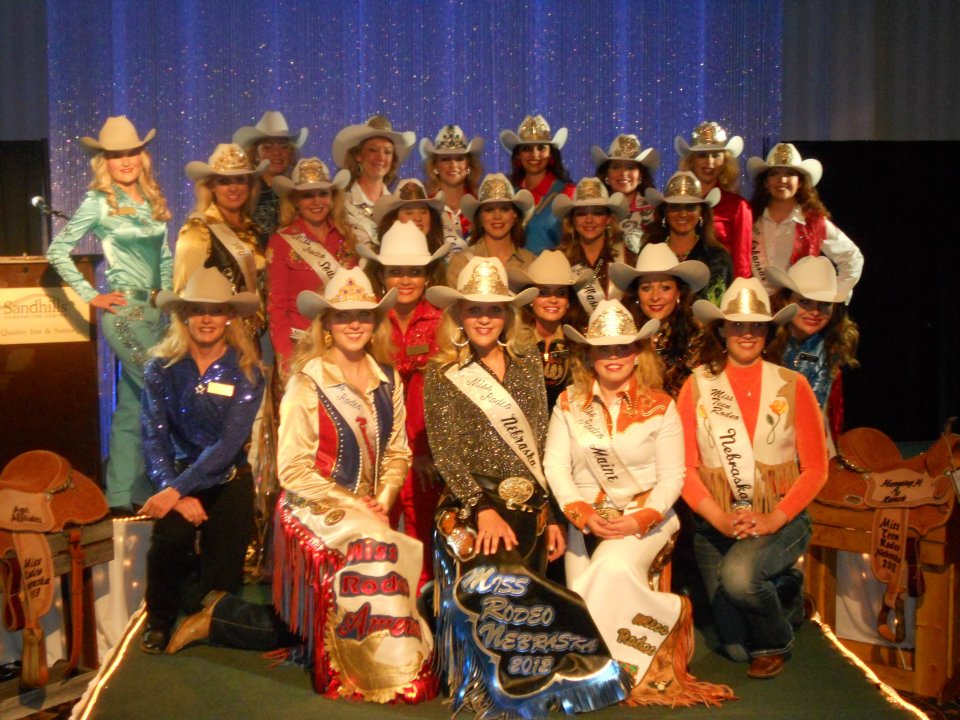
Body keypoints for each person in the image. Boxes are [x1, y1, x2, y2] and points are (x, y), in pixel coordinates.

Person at [424, 257, 629, 718]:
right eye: (473, 308)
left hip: (530, 502)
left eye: (493, 309)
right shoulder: (440, 373)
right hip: (468, 500)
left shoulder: (526, 366)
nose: (483, 317)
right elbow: (446, 454)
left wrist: (553, 515)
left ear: (507, 316)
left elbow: (542, 444)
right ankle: (497, 683)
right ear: (457, 314)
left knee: (527, 584)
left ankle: (534, 678)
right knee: (496, 575)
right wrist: (481, 509)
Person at [543, 299, 734, 706]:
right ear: (589, 354)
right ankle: (602, 670)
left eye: (622, 348)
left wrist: (637, 520)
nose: (614, 357)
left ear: (637, 353)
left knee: (610, 566)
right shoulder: (566, 404)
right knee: (580, 591)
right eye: (604, 348)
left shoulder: (661, 406)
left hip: (646, 518)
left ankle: (589, 672)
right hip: (587, 520)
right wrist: (584, 515)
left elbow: (672, 478)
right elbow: (555, 467)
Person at [677, 277, 828, 679]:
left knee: (740, 580)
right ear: (722, 329)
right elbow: (684, 469)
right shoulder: (696, 386)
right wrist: (720, 519)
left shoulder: (793, 386)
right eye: (738, 324)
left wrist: (774, 518)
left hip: (778, 520)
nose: (747, 333)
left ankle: (776, 639)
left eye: (756, 325)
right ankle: (785, 591)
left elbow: (816, 468)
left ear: (768, 331)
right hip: (716, 525)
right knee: (736, 648)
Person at [46, 116, 173, 513]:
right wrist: (91, 294)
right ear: (105, 160)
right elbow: (57, 251)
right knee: (159, 393)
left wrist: (171, 304)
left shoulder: (152, 197)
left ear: (142, 155)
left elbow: (165, 257)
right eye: (116, 155)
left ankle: (121, 497)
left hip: (158, 313)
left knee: (134, 404)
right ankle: (157, 488)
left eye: (132, 152)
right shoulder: (98, 202)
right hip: (124, 314)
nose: (125, 161)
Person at [139, 268, 263, 653]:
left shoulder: (247, 372)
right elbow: (152, 437)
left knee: (218, 586)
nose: (207, 318)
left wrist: (178, 489)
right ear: (184, 316)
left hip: (227, 480)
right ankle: (158, 620)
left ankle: (202, 612)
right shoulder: (160, 369)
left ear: (229, 316)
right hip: (177, 477)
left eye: (216, 310)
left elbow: (227, 447)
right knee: (169, 540)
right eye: (198, 309)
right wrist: (172, 491)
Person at [356, 222, 450, 593]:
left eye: (415, 271)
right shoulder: (368, 320)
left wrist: (426, 452)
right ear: (381, 275)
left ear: (427, 276)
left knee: (421, 538)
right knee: (373, 533)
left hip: (424, 453)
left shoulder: (444, 321)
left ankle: (421, 615)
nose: (406, 279)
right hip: (376, 451)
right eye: (396, 271)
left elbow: (443, 398)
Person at [266, 157, 356, 376]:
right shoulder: (281, 242)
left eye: (323, 193)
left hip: (341, 346)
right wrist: (287, 360)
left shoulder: (347, 240)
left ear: (332, 198)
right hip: (301, 347)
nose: (316, 201)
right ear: (295, 200)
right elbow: (276, 308)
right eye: (308, 195)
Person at [766, 256, 859, 455]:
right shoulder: (763, 339)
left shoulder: (829, 348)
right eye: (805, 302)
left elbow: (814, 406)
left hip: (809, 442)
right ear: (785, 300)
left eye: (824, 304)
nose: (815, 312)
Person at [747, 142, 864, 294]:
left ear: (800, 182)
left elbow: (852, 258)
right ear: (765, 183)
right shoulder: (749, 219)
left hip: (798, 311)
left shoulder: (813, 223)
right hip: (755, 311)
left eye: (789, 174)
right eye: (774, 173)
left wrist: (834, 296)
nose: (782, 180)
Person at [609, 243, 709, 397]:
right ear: (637, 294)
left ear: (678, 293)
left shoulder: (696, 336)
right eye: (646, 288)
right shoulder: (622, 334)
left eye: (665, 288)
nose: (655, 297)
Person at [174, 143, 269, 299]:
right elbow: (183, 291)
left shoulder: (253, 230)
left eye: (240, 180)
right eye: (224, 181)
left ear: (250, 185)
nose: (233, 188)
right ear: (212, 186)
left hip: (255, 322)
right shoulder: (197, 230)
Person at [508, 251, 588, 411]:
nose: (553, 299)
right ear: (531, 298)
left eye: (561, 293)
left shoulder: (580, 341)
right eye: (543, 292)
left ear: (569, 301)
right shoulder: (511, 339)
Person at [675, 121, 752, 278]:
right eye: (702, 155)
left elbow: (742, 263)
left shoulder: (738, 206)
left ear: (725, 162)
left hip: (720, 290)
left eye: (716, 155)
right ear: (691, 161)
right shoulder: (676, 203)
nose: (710, 162)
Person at [643, 171, 733, 305]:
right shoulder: (648, 253)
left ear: (701, 212)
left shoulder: (718, 258)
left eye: (690, 207)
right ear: (664, 212)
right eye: (675, 207)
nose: (683, 214)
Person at [332, 115, 416, 250]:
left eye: (387, 152)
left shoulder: (399, 205)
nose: (381, 157)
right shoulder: (341, 203)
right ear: (358, 155)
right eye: (373, 150)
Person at [552, 176, 631, 314]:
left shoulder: (627, 259)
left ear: (608, 219)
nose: (589, 220)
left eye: (597, 213)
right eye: (581, 214)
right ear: (572, 219)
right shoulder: (557, 259)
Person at [500, 114, 575, 254]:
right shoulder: (508, 194)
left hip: (553, 273)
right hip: (512, 271)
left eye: (541, 148)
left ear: (551, 154)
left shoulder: (567, 192)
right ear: (518, 156)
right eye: (527, 149)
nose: (535, 154)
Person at [233, 110, 309, 247]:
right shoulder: (245, 192)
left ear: (291, 154)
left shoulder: (300, 192)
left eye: (284, 147)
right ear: (256, 154)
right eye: (267, 147)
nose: (277, 153)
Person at [446, 173, 535, 285]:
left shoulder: (531, 262)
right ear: (479, 217)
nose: (497, 216)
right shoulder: (462, 262)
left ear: (515, 215)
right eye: (489, 210)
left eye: (504, 209)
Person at [420, 125, 484, 254]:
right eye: (445, 159)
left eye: (459, 159)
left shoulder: (481, 205)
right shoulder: (426, 206)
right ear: (435, 166)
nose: (453, 165)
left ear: (468, 166)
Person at [592, 134, 660, 253]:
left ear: (640, 175)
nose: (623, 173)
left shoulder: (655, 212)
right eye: (616, 167)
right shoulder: (593, 209)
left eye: (630, 167)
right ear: (606, 174)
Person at [372, 178, 446, 256]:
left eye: (423, 212)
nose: (418, 218)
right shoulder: (377, 260)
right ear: (393, 219)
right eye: (409, 213)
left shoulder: (441, 258)